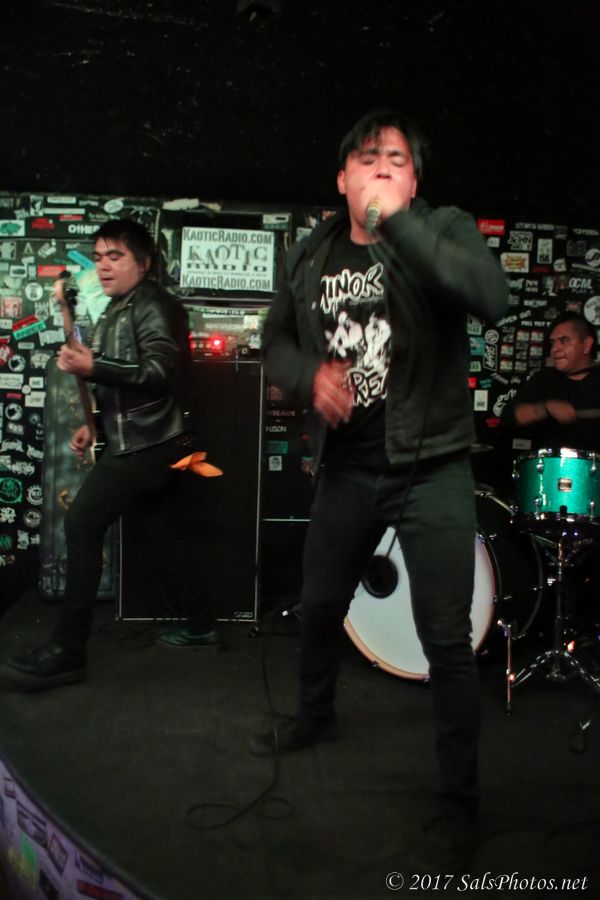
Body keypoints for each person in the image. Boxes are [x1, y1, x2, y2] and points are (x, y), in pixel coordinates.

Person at [251, 109, 508, 872]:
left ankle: (460, 802)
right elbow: (275, 339)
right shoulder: (311, 252)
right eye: (368, 157)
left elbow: (489, 296)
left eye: (398, 158)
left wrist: (399, 224)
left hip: (432, 465)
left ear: (414, 180)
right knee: (319, 604)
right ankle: (314, 715)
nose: (384, 165)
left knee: (446, 640)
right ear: (342, 178)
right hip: (349, 469)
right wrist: (308, 376)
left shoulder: (443, 227)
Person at [0, 218, 221, 692]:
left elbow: (159, 371)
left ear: (144, 262)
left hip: (153, 443)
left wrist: (94, 364)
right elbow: (121, 385)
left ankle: (67, 652)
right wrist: (94, 426)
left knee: (81, 524)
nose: (103, 265)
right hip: (148, 439)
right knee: (164, 533)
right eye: (99, 256)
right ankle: (202, 625)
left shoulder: (155, 304)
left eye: (115, 256)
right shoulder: (118, 308)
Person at [501, 311, 600, 451]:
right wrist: (545, 408)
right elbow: (509, 418)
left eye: (564, 341)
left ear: (587, 345)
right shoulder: (544, 379)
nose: (555, 349)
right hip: (547, 464)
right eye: (553, 343)